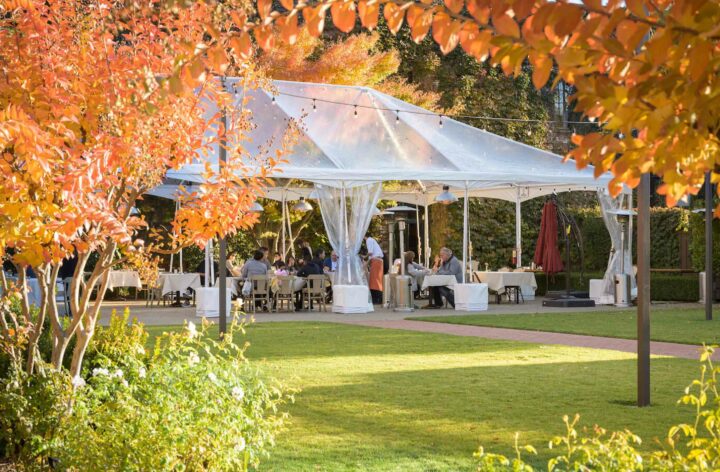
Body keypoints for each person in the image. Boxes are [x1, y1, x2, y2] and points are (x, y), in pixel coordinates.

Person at [364, 234, 384, 304]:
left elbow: (370, 253)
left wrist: (364, 258)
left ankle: (377, 299)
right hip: (377, 261)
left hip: (376, 261)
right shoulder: (372, 240)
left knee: (374, 281)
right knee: (376, 280)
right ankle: (379, 299)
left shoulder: (368, 240)